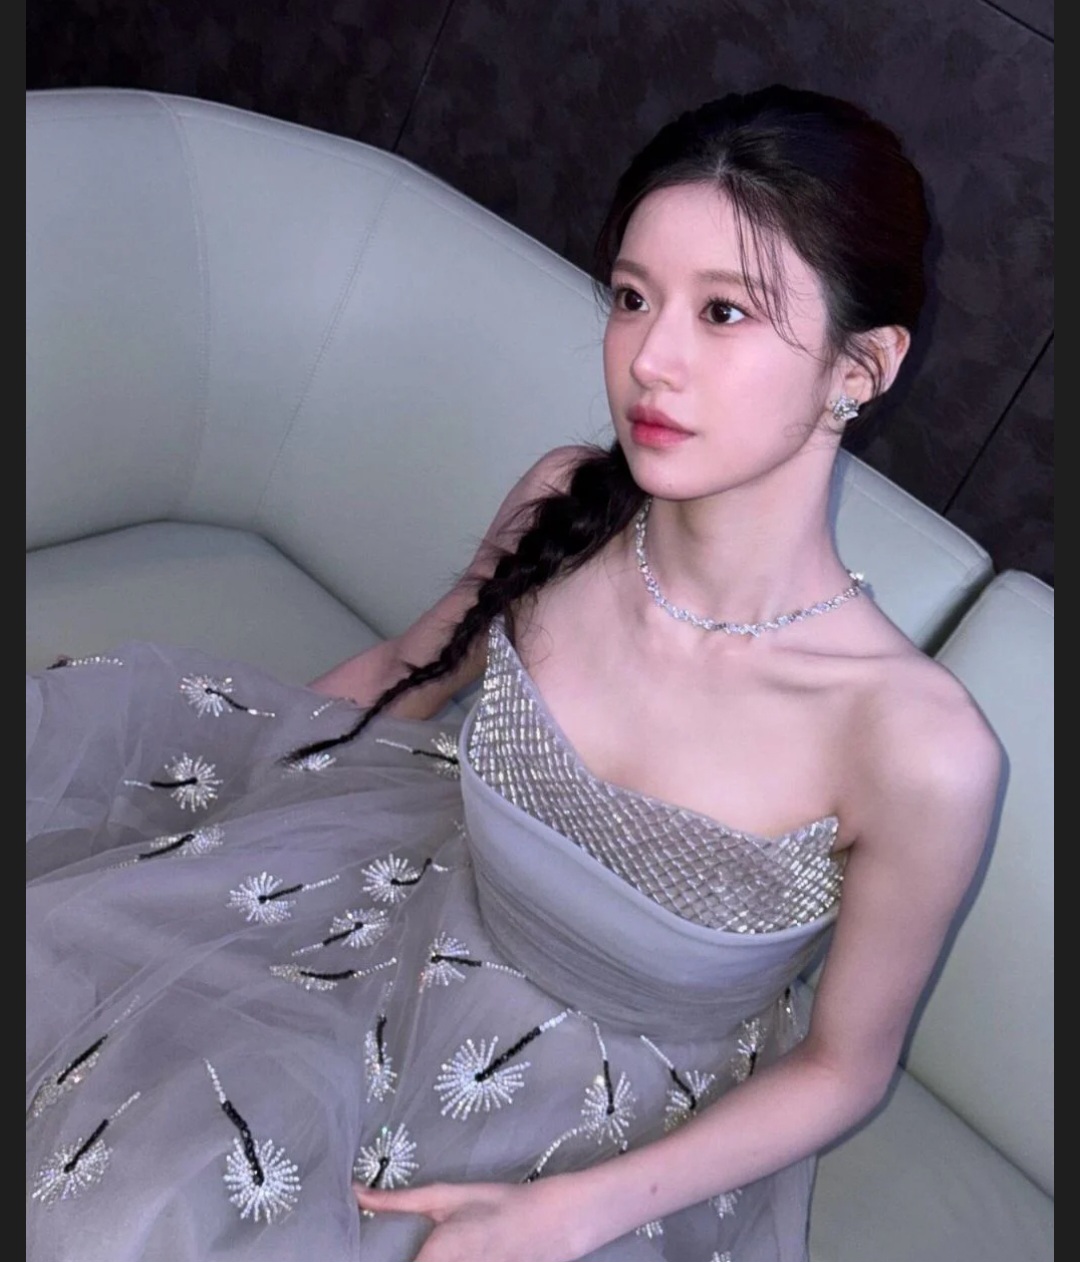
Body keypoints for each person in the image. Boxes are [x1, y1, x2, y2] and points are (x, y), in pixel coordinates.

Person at [25, 84, 1002, 1262]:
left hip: (614, 1129)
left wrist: (566, 1213)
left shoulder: (919, 747)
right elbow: (410, 667)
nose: (651, 360)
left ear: (863, 365)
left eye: (724, 312)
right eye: (632, 297)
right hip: (395, 921)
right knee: (106, 1179)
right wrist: (210, 825)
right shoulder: (568, 504)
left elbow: (845, 1064)